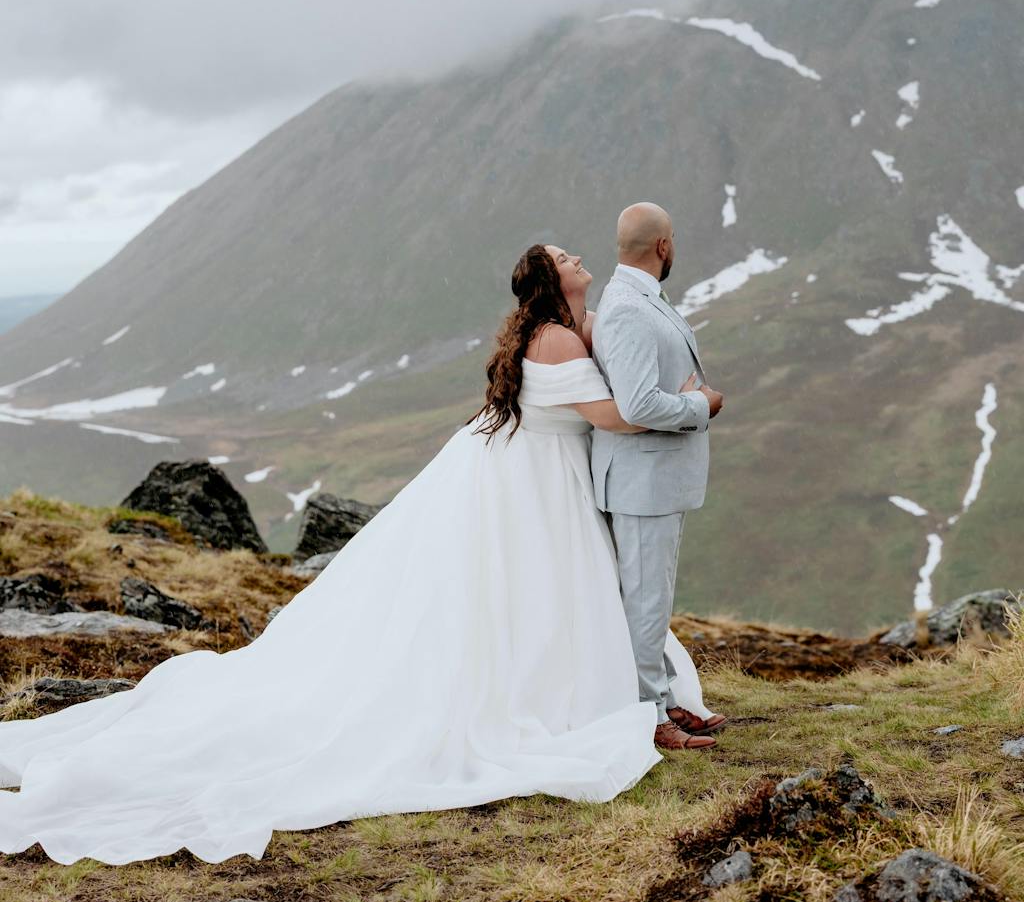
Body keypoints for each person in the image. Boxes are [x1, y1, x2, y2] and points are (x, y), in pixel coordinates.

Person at [0, 241, 714, 867]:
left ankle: (607, 689)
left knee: (531, 596)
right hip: (536, 482)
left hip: (537, 475)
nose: (577, 257)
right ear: (551, 281)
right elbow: (617, 414)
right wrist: (695, 403)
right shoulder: (556, 341)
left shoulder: (573, 327)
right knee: (518, 593)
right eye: (564, 257)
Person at [592, 203, 728, 748]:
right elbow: (639, 404)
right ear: (663, 246)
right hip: (641, 481)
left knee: (652, 597)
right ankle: (648, 716)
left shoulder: (640, 297)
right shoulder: (627, 308)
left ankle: (663, 697)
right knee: (645, 601)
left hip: (653, 479)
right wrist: (701, 406)